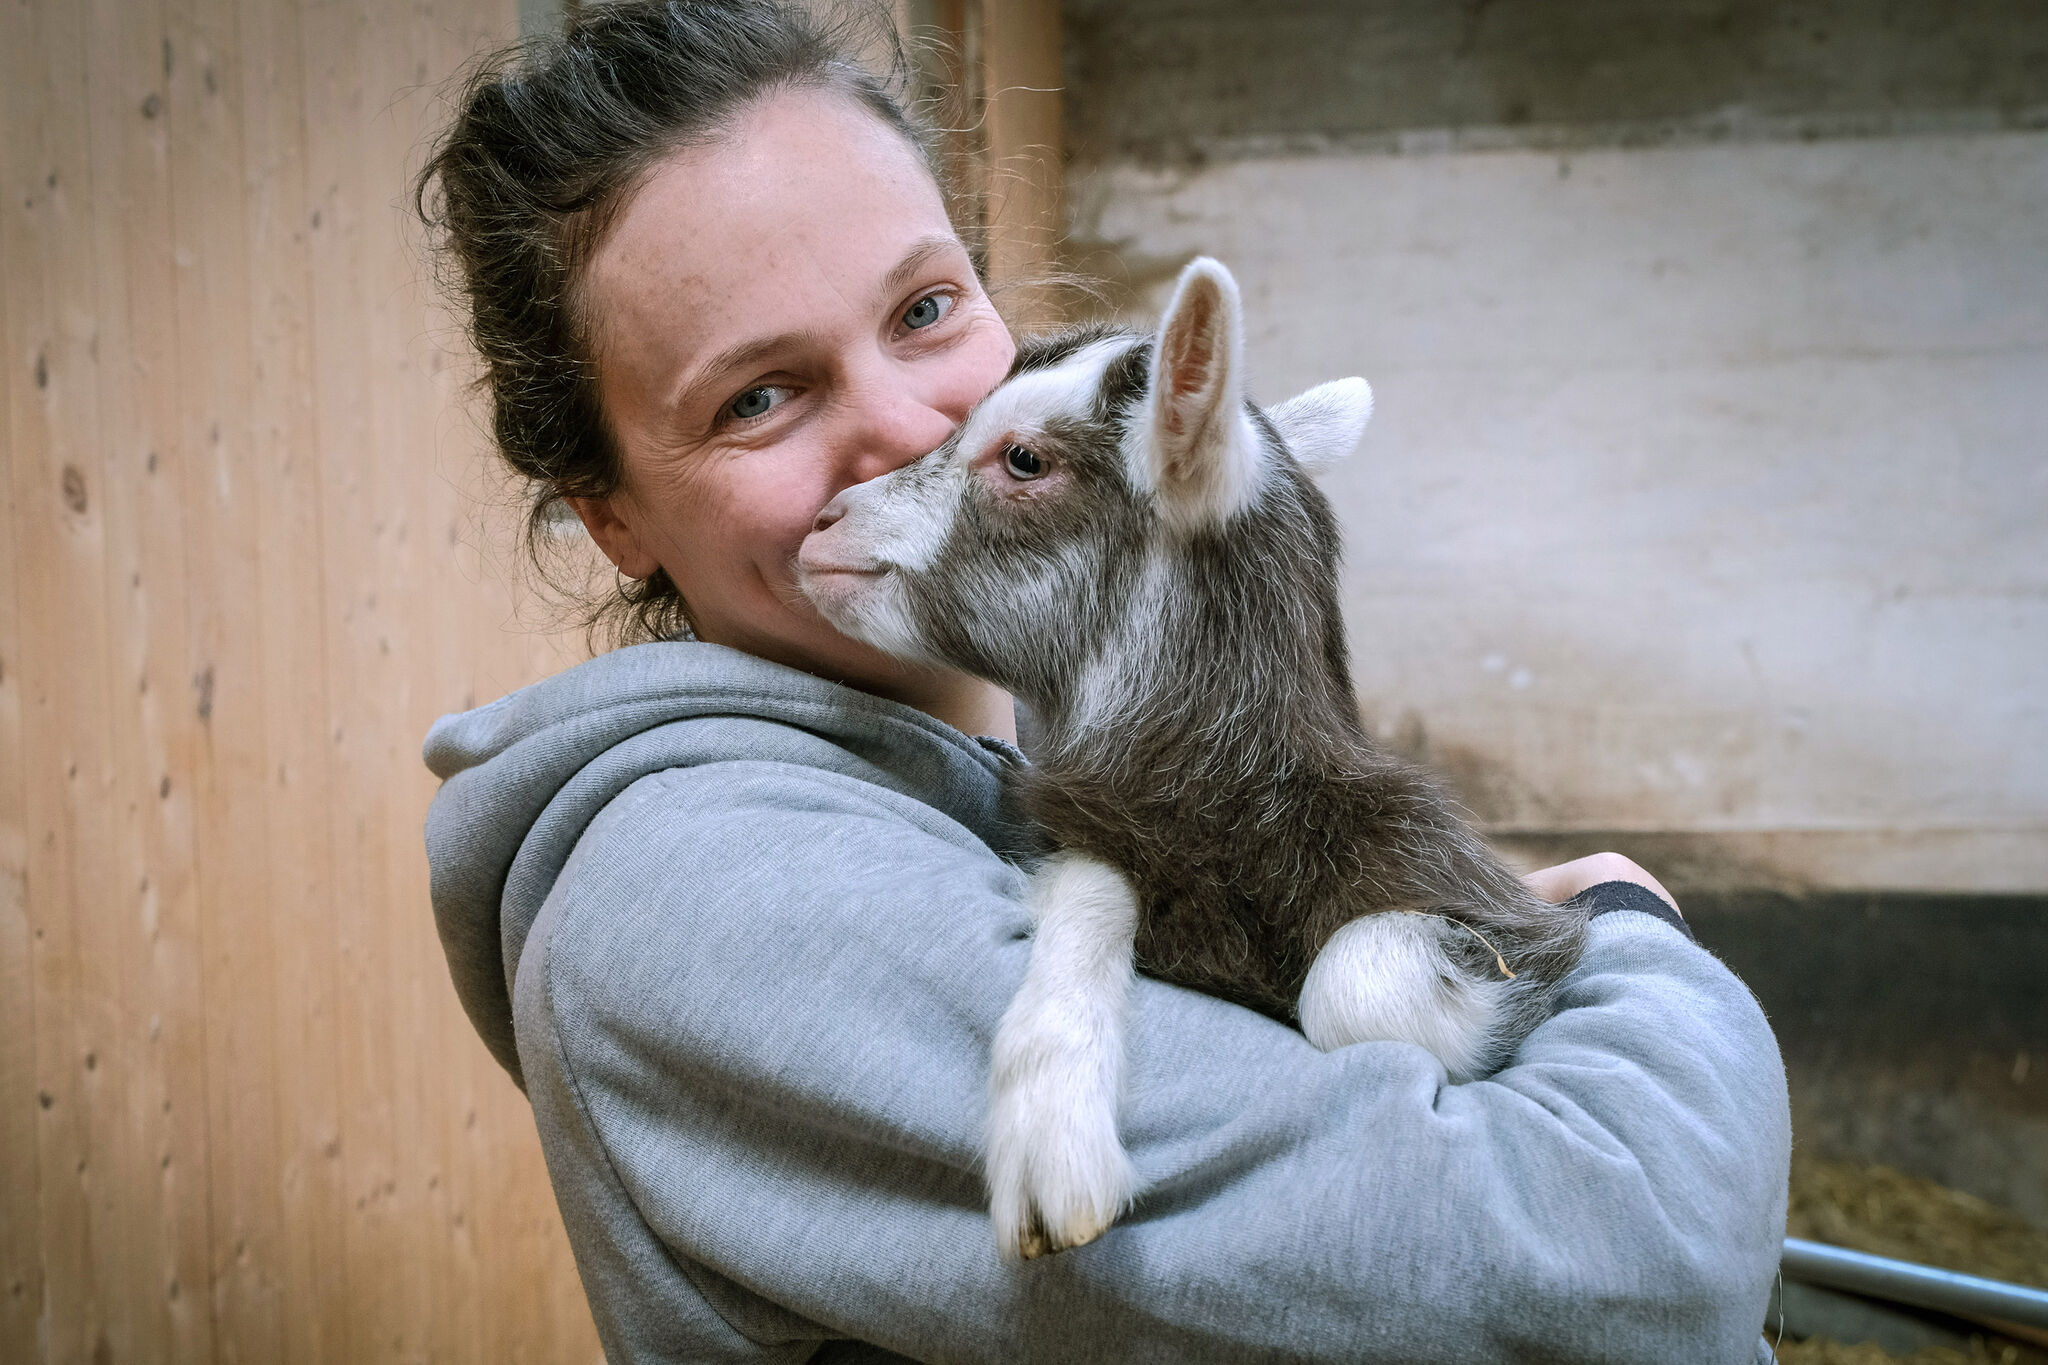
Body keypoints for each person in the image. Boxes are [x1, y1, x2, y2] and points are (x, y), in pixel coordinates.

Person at [417, 3, 1791, 1360]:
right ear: (614, 519)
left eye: (927, 305)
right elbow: (1632, 1267)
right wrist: (1627, 930)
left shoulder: (1009, 786)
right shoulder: (714, 896)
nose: (908, 428)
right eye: (756, 399)